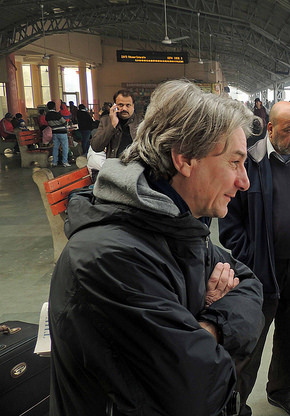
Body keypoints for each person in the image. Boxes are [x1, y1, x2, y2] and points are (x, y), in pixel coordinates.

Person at [48, 79, 265, 416]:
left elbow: (250, 283)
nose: (244, 181)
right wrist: (213, 320)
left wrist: (207, 328)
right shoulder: (109, 259)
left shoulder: (175, 224)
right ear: (185, 159)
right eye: (234, 163)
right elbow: (199, 390)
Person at [219, 101, 290, 416]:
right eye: (289, 130)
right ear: (270, 129)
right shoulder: (250, 163)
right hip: (260, 272)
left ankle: (281, 391)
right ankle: (235, 405)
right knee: (248, 343)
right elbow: (230, 223)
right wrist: (251, 257)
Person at [91, 89, 143, 159]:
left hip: (136, 165)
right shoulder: (106, 120)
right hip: (114, 165)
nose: (124, 108)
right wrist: (112, 125)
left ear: (133, 106)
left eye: (128, 105)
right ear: (114, 106)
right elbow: (96, 147)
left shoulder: (141, 122)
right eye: (121, 105)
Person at [46, 101, 70, 167]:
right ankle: (65, 162)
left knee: (55, 147)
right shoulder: (57, 114)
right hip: (62, 132)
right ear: (54, 107)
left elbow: (49, 124)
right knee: (65, 147)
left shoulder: (47, 115)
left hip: (54, 132)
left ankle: (54, 162)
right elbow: (64, 122)